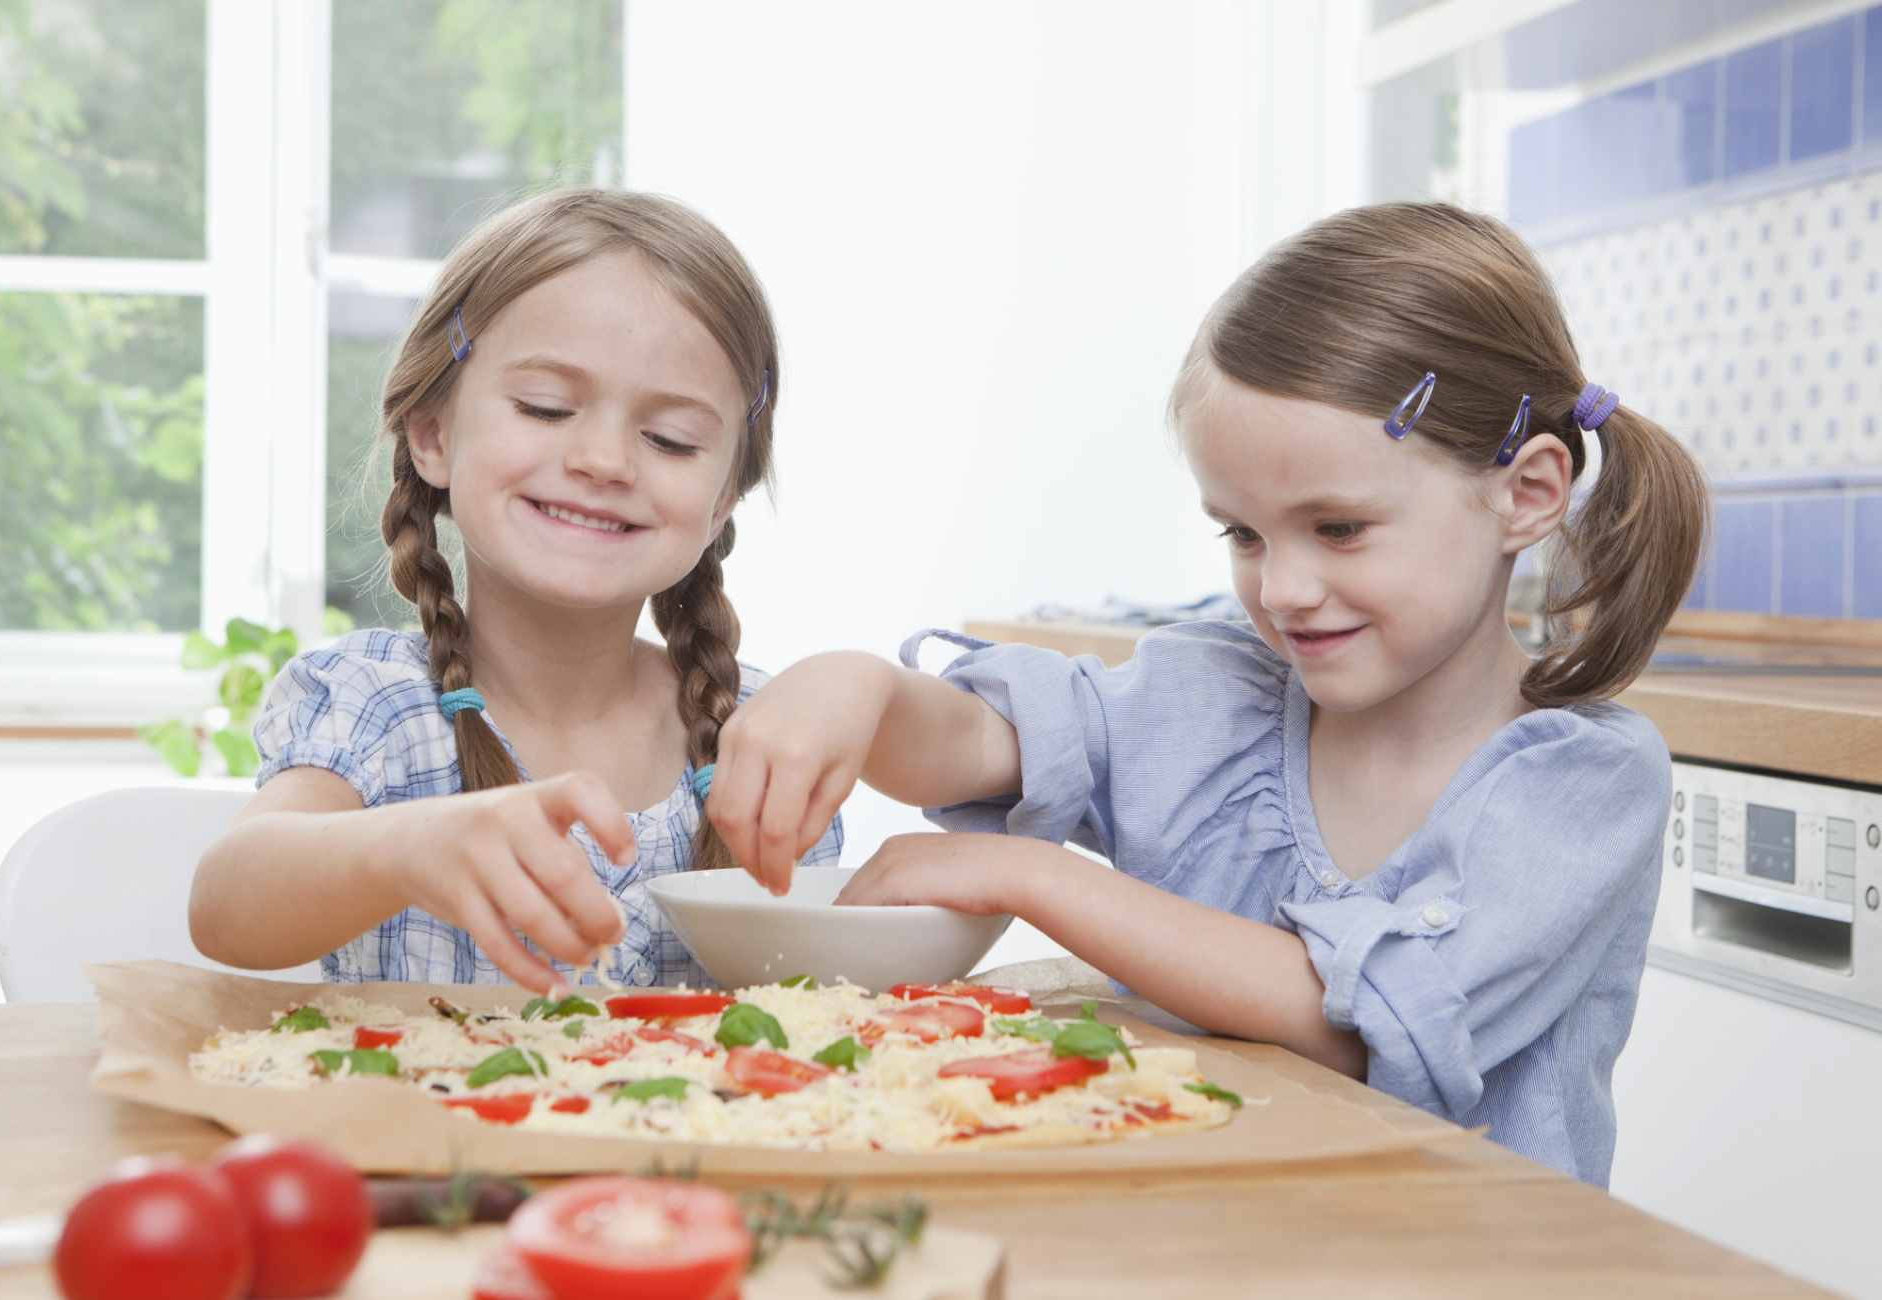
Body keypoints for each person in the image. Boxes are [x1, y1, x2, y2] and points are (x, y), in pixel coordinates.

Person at [706, 203, 1706, 1186]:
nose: (1281, 589)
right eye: (1243, 534)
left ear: (1524, 494)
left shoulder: (1581, 783)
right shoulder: (1222, 691)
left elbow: (1359, 1023)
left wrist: (1031, 876)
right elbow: (980, 740)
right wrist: (861, 689)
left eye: (1339, 528)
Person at [190, 188, 840, 994]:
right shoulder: (377, 707)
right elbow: (226, 900)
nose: (604, 460)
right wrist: (405, 848)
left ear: (719, 504)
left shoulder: (765, 743)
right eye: (545, 406)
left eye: (670, 439)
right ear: (431, 433)